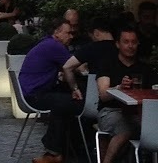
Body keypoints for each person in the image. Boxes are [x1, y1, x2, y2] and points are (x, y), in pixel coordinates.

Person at [19, 18, 83, 163]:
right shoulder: (54, 46)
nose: (71, 36)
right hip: (35, 95)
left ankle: (59, 150)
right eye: (68, 33)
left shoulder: (46, 43)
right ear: (57, 33)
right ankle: (55, 153)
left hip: (32, 91)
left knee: (65, 102)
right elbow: (77, 67)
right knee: (69, 104)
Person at [96, 26, 154, 163]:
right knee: (126, 126)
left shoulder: (145, 69)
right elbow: (103, 95)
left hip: (137, 113)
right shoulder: (107, 64)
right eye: (126, 42)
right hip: (110, 111)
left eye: (133, 42)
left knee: (143, 125)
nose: (130, 46)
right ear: (117, 44)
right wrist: (119, 88)